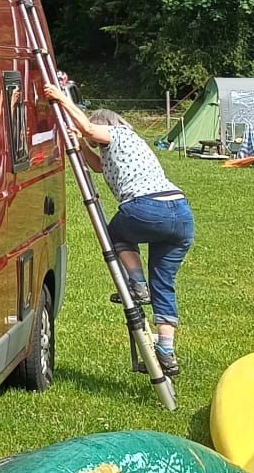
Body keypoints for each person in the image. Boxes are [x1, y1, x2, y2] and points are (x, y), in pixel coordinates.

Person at [44, 87, 193, 377]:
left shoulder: (118, 134)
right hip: (181, 215)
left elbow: (87, 126)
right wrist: (82, 146)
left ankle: (137, 283)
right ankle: (166, 349)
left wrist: (62, 100)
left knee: (114, 232)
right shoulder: (127, 145)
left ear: (105, 126)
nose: (93, 140)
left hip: (149, 208)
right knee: (163, 283)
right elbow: (99, 166)